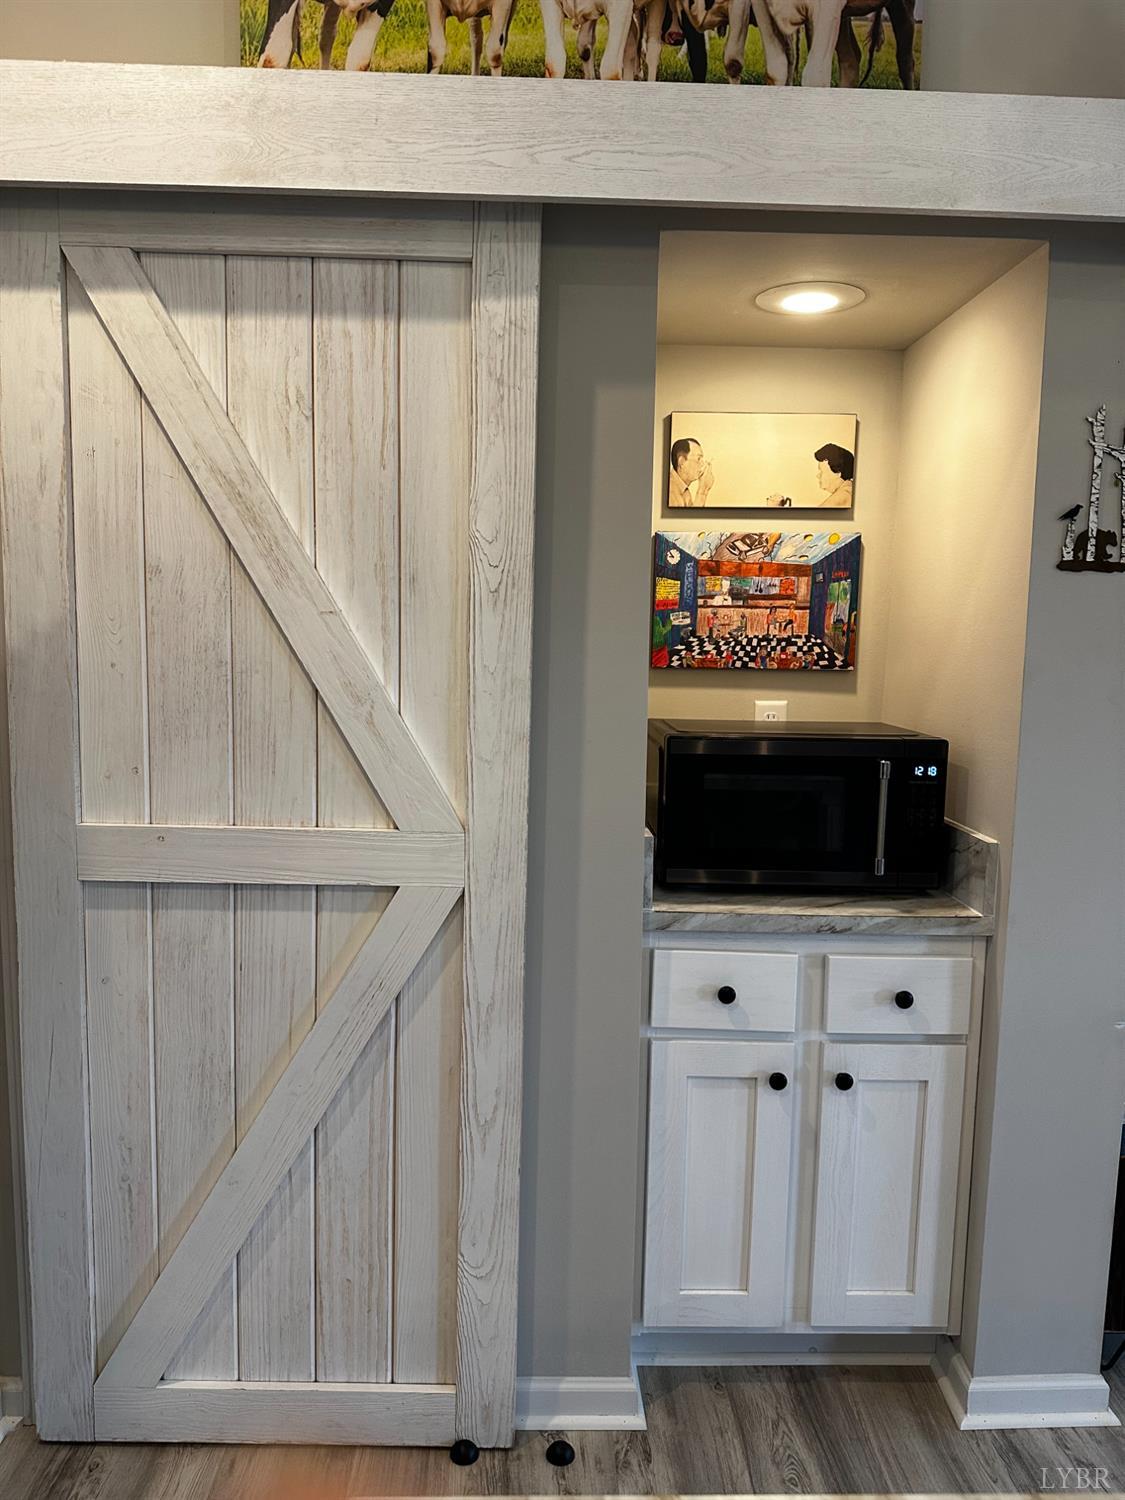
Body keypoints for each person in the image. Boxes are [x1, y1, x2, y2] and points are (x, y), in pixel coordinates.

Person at [669, 437, 715, 507]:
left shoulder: (684, 490)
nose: (703, 463)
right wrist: (702, 490)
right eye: (698, 459)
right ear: (682, 462)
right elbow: (692, 517)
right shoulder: (670, 491)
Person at [813, 442, 855, 507]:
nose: (818, 476)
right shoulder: (850, 490)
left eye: (822, 471)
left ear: (838, 473)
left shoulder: (844, 495)